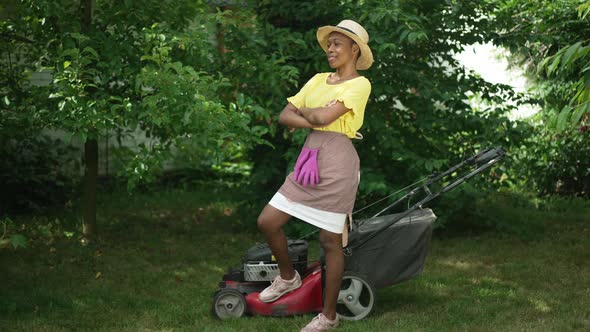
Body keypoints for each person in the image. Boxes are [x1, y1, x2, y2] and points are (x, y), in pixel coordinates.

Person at [257, 19, 373, 332]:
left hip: (338, 162)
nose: (330, 49)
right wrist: (318, 116)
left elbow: (316, 115)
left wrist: (308, 114)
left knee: (330, 241)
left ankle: (329, 316)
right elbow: (285, 116)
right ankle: (287, 277)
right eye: (329, 44)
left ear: (354, 49)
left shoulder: (360, 85)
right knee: (268, 220)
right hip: (309, 158)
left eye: (337, 44)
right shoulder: (320, 79)